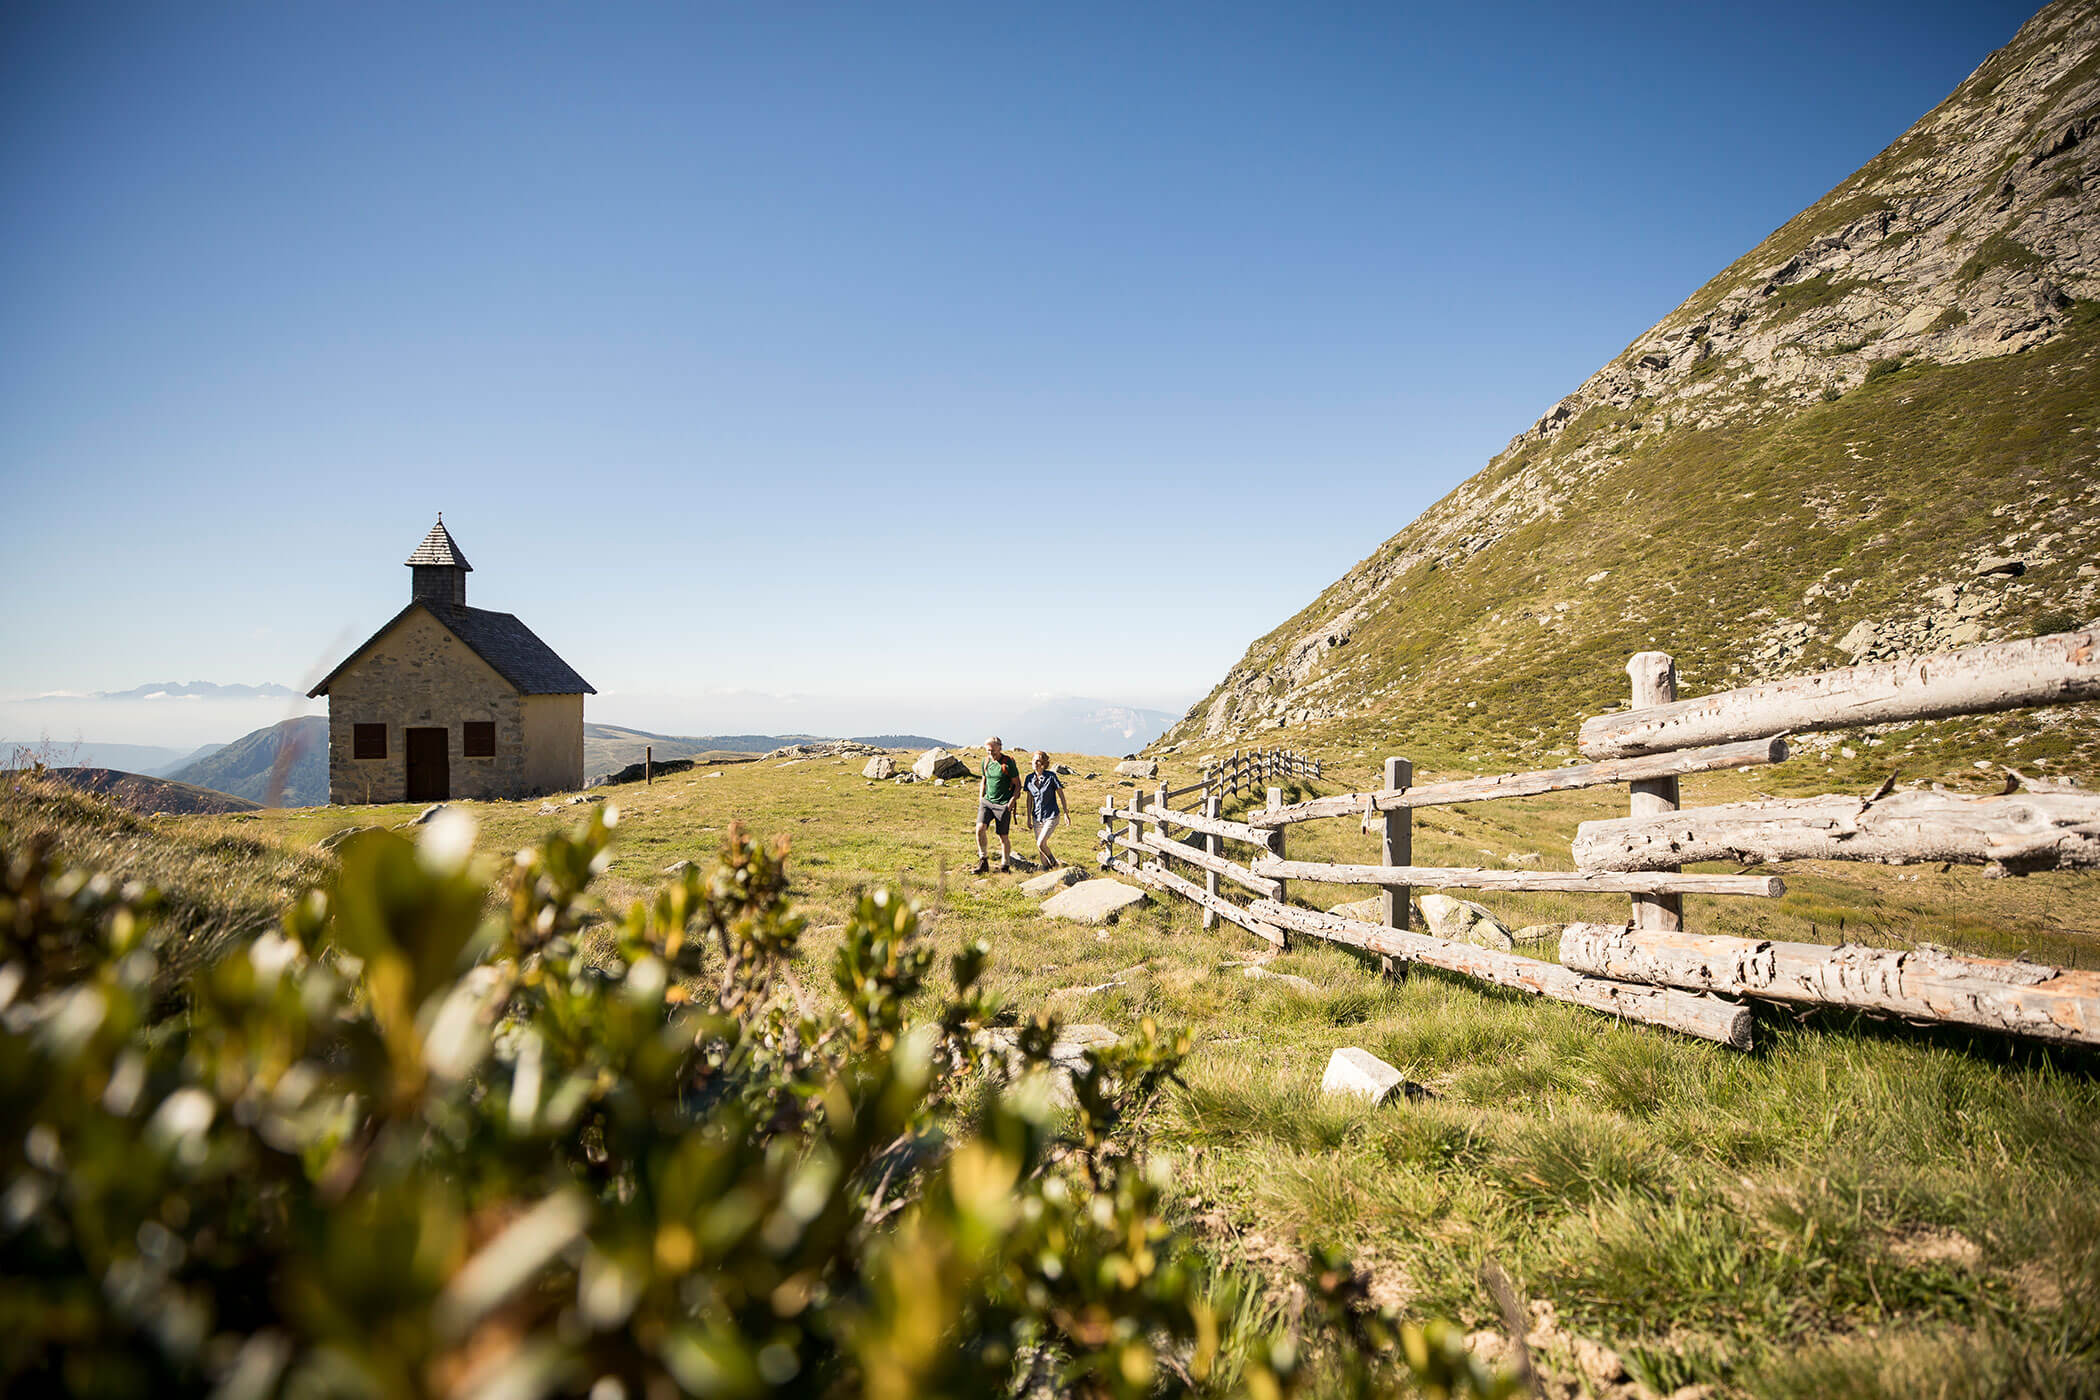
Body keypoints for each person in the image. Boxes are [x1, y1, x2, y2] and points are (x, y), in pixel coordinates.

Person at [974, 736, 1023, 874]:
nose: (991, 754)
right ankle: (983, 860)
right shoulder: (986, 761)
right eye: (989, 751)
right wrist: (981, 798)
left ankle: (1005, 865)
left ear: (1000, 748)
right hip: (987, 802)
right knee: (979, 828)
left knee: (1003, 836)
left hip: (1003, 804)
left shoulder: (1008, 763)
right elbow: (984, 780)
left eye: (994, 751)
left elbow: (1018, 785)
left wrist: (1010, 804)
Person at [1023, 750, 1070, 869]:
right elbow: (1029, 799)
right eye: (1034, 760)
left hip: (1051, 815)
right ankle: (1046, 870)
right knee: (1040, 847)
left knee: (1041, 843)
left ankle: (1054, 863)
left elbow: (1061, 794)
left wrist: (1066, 813)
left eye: (1038, 761)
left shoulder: (1051, 777)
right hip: (1036, 816)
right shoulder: (1029, 779)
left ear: (1043, 763)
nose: (1035, 763)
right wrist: (1028, 817)